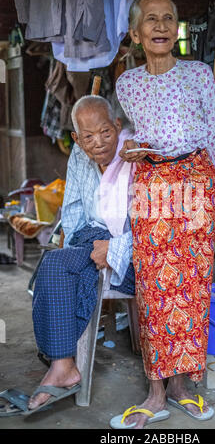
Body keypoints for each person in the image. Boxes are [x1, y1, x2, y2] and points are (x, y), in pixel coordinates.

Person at [110, 0, 215, 429]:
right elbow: (138, 133)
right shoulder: (126, 84)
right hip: (151, 188)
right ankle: (156, 391)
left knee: (192, 285)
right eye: (151, 20)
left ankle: (184, 387)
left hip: (198, 183)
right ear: (136, 32)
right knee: (153, 285)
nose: (161, 26)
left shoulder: (199, 74)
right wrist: (131, 148)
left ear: (177, 29)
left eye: (168, 19)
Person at [26, 95, 136, 414]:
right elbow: (72, 208)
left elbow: (151, 225)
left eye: (105, 132)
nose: (98, 142)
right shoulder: (78, 154)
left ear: (117, 126)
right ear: (77, 138)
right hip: (90, 239)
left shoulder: (134, 154)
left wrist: (114, 248)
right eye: (88, 137)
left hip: (131, 250)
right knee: (55, 265)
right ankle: (63, 365)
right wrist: (79, 247)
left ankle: (63, 368)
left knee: (66, 270)